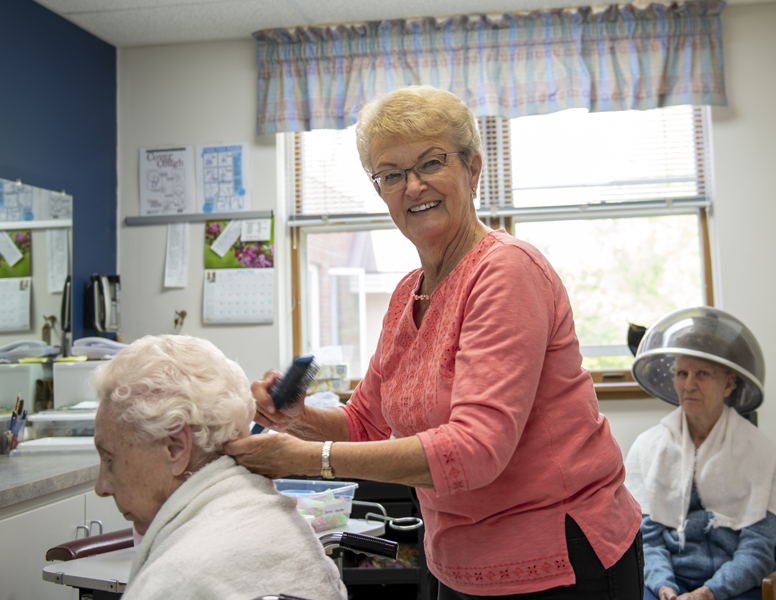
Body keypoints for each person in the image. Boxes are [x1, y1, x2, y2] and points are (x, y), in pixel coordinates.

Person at [224, 85, 643, 599]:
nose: (413, 186)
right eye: (392, 174)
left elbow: (474, 450)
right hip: (455, 559)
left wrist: (306, 459)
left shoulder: (507, 271)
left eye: (431, 163)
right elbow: (366, 423)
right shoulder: (407, 295)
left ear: (472, 168)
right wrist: (297, 419)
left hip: (557, 559)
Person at [92, 334, 347, 600]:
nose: (102, 487)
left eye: (110, 459)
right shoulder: (283, 525)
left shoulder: (172, 584)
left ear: (176, 448)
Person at [626, 307, 776, 600]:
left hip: (735, 586)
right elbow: (646, 539)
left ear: (729, 383)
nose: (689, 385)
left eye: (702, 374)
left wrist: (710, 592)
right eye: (681, 373)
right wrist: (664, 587)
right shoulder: (649, 446)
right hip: (666, 582)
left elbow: (759, 547)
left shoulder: (759, 450)